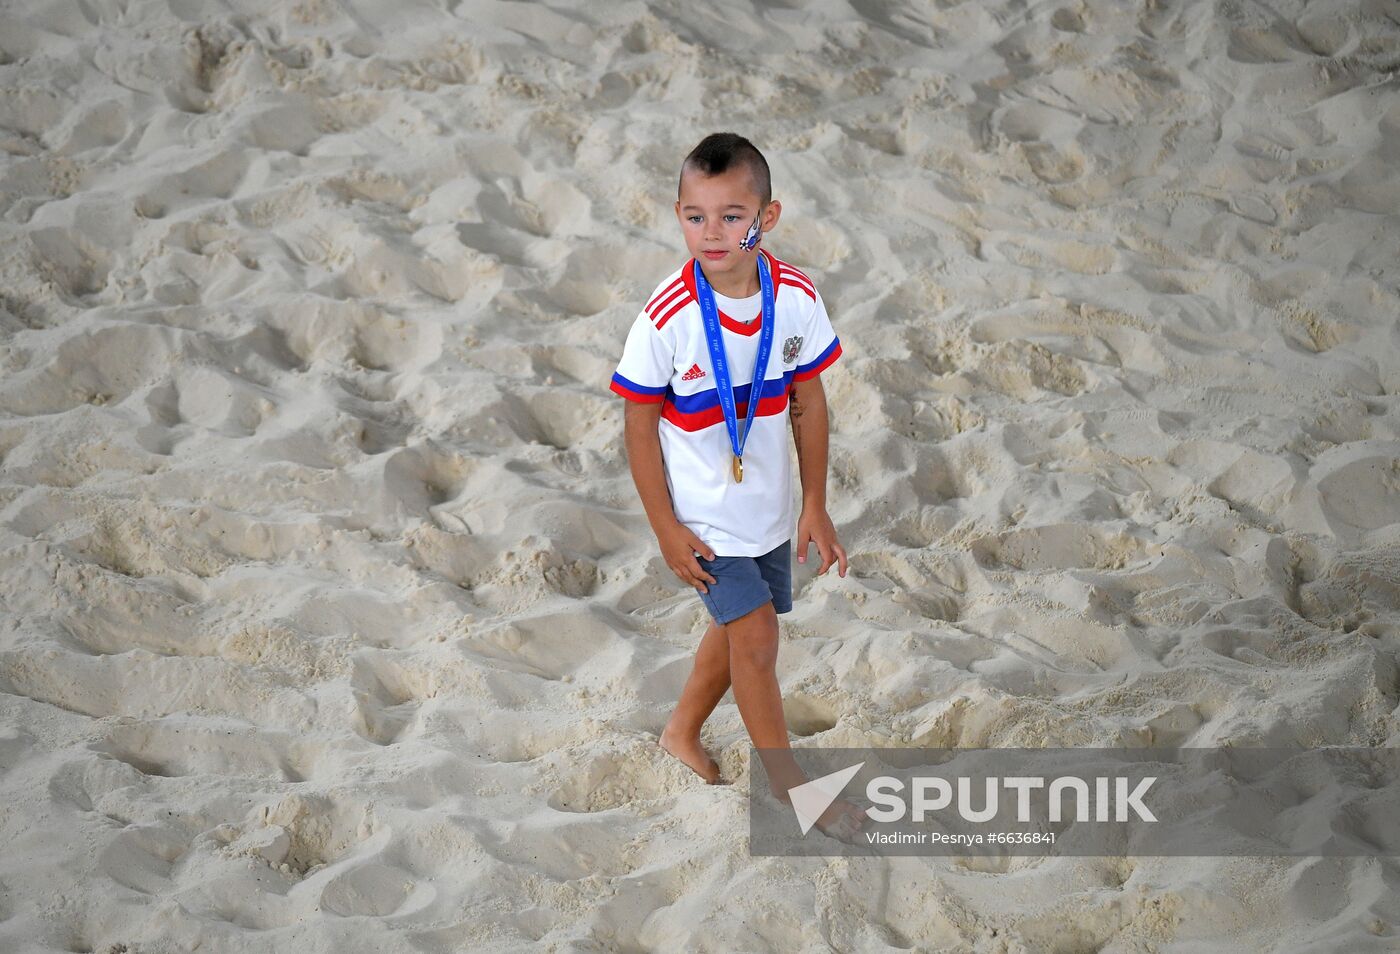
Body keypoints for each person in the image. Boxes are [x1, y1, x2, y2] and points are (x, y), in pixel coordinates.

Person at [609, 132, 865, 841]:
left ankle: (681, 731)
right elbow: (637, 428)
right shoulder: (666, 316)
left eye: (729, 215)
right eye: (695, 216)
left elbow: (810, 404)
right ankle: (794, 792)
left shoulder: (798, 298)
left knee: (735, 634)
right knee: (754, 637)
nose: (711, 232)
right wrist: (665, 528)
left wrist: (815, 504)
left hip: (769, 508)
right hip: (700, 516)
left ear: (767, 217)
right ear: (678, 213)